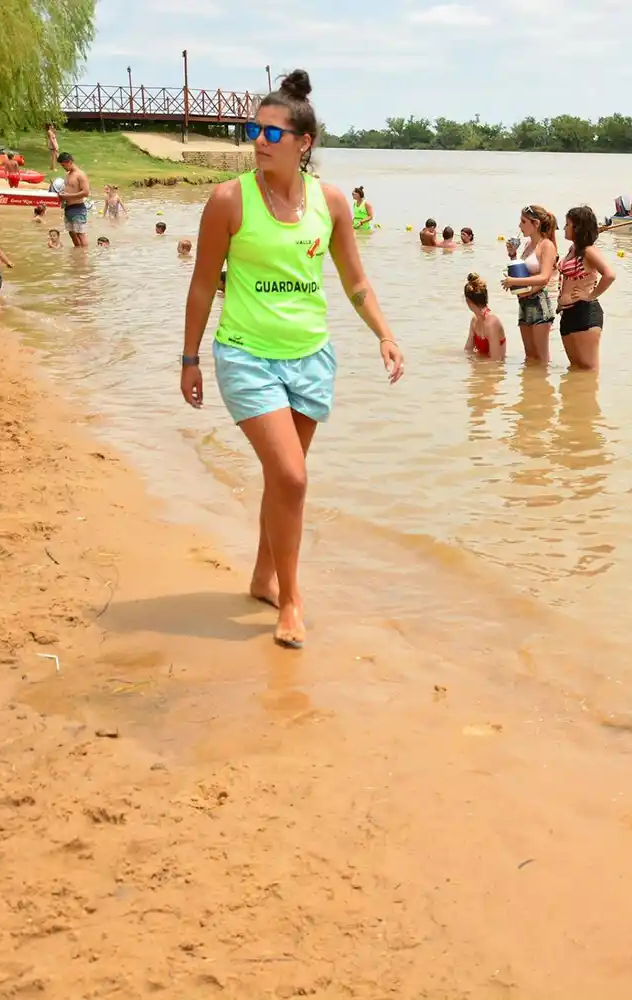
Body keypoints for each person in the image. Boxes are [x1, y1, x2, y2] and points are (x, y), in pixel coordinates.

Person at [180, 69, 405, 650]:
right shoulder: (229, 200)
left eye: (272, 133)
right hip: (246, 355)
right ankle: (292, 598)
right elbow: (204, 285)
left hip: (310, 357)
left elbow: (356, 281)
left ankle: (261, 577)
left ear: (304, 143)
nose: (259, 141)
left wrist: (383, 333)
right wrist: (189, 358)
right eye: (255, 130)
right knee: (293, 476)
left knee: (284, 483)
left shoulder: (329, 204)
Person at [557, 205, 616, 371]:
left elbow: (609, 275)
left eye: (567, 224)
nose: (564, 227)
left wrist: (590, 295)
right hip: (567, 313)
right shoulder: (573, 249)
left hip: (585, 312)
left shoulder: (589, 251)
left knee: (589, 371)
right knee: (575, 370)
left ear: (577, 227)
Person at [503, 205, 558, 364]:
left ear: (536, 224)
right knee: (530, 357)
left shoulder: (546, 245)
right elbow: (523, 273)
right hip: (524, 301)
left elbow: (544, 277)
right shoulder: (528, 245)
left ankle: (543, 387)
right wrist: (513, 256)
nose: (520, 226)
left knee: (542, 359)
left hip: (539, 302)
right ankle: (530, 388)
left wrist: (514, 281)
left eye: (523, 221)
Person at [463, 272, 507, 361]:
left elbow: (495, 361)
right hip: (482, 369)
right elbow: (468, 351)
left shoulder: (492, 323)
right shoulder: (474, 320)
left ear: (468, 301)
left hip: (494, 373)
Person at [56, 152, 91, 247]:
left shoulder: (80, 175)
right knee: (71, 233)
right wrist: (61, 195)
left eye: (63, 165)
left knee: (80, 233)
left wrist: (67, 196)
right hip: (68, 207)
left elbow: (86, 192)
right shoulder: (67, 174)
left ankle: (84, 256)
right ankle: (77, 255)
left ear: (70, 162)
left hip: (78, 208)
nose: (63, 167)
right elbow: (68, 189)